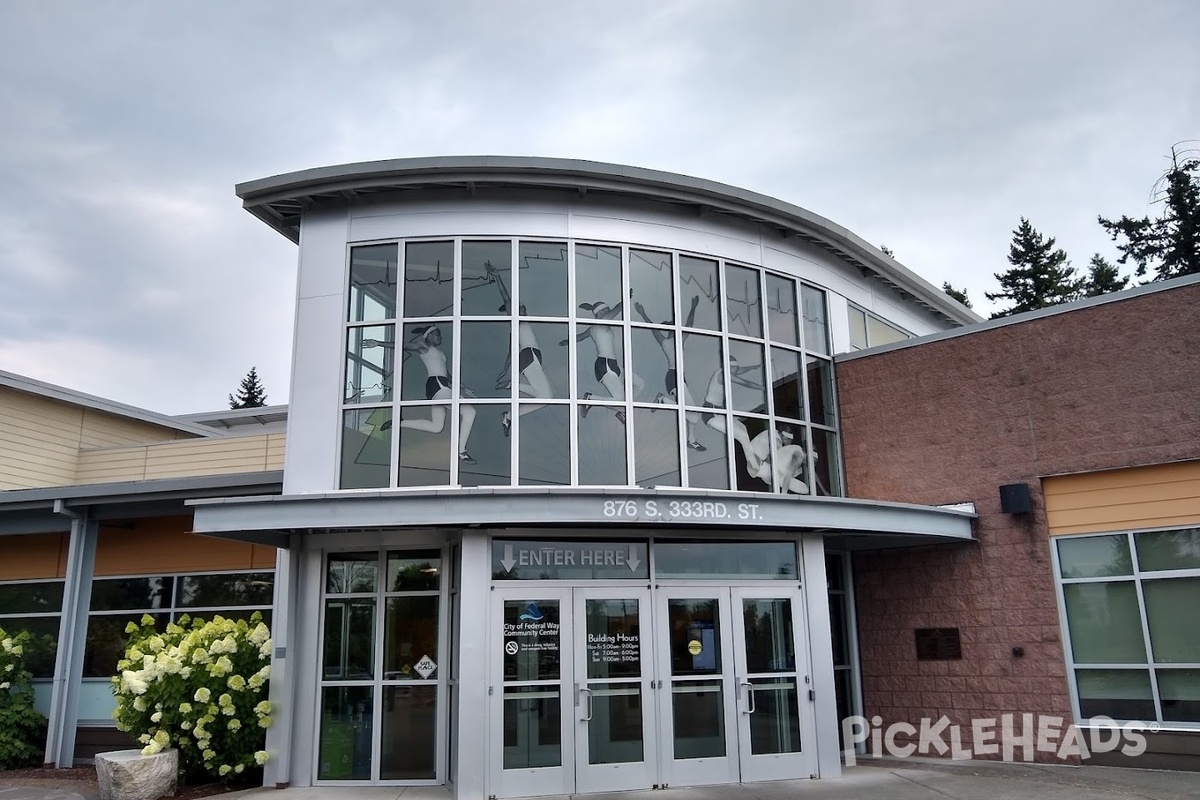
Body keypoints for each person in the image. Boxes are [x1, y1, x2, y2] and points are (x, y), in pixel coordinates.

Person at [485, 262, 554, 436]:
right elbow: (506, 298)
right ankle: (509, 412)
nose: (523, 308)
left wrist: (505, 370)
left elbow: (511, 352)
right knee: (547, 397)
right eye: (520, 307)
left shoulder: (517, 328)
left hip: (528, 358)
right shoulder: (516, 320)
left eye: (523, 307)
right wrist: (498, 277)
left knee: (543, 396)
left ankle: (511, 392)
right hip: (529, 356)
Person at [398, 326, 477, 464]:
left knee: (436, 427)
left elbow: (448, 375)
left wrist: (464, 388)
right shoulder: (424, 347)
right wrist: (379, 343)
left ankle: (399, 423)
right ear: (428, 336)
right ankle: (461, 450)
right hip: (437, 385)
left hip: (440, 386)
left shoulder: (439, 353)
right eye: (437, 334)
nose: (440, 337)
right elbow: (402, 345)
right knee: (469, 412)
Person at [635, 294, 704, 450]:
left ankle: (691, 440)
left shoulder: (667, 342)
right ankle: (662, 400)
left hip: (676, 377)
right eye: (674, 326)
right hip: (674, 377)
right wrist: (693, 307)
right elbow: (689, 324)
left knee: (692, 414)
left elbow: (653, 329)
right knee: (693, 414)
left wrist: (642, 313)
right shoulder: (672, 341)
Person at [564, 299, 643, 423]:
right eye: (606, 310)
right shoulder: (601, 323)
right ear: (599, 313)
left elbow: (579, 337)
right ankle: (591, 399)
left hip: (613, 365)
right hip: (605, 365)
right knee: (621, 398)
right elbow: (616, 310)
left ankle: (623, 412)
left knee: (640, 384)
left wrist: (567, 341)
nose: (608, 313)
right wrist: (625, 299)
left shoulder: (592, 328)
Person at [699, 356, 760, 469]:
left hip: (719, 412)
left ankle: (751, 459)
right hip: (710, 414)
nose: (736, 373)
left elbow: (740, 370)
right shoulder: (722, 375)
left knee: (743, 429)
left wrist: (753, 367)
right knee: (741, 435)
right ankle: (754, 465)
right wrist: (763, 388)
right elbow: (745, 383)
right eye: (734, 371)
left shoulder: (729, 370)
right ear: (728, 367)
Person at [746, 424, 809, 494]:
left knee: (784, 474)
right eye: (789, 440)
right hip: (757, 464)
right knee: (803, 488)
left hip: (752, 463)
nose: (788, 444)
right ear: (784, 437)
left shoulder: (771, 432)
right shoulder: (777, 441)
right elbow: (774, 460)